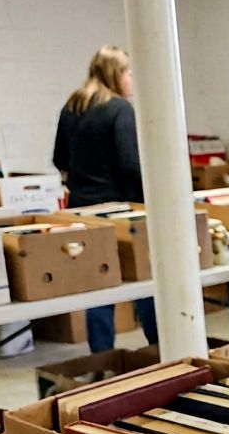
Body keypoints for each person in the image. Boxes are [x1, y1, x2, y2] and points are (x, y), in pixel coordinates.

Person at [53, 46, 157, 354]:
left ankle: (103, 357)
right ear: (115, 73)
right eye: (128, 72)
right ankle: (161, 348)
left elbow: (59, 158)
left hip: (82, 209)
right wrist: (146, 205)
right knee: (146, 280)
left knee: (98, 284)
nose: (131, 78)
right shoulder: (119, 109)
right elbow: (130, 164)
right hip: (120, 210)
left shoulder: (72, 106)